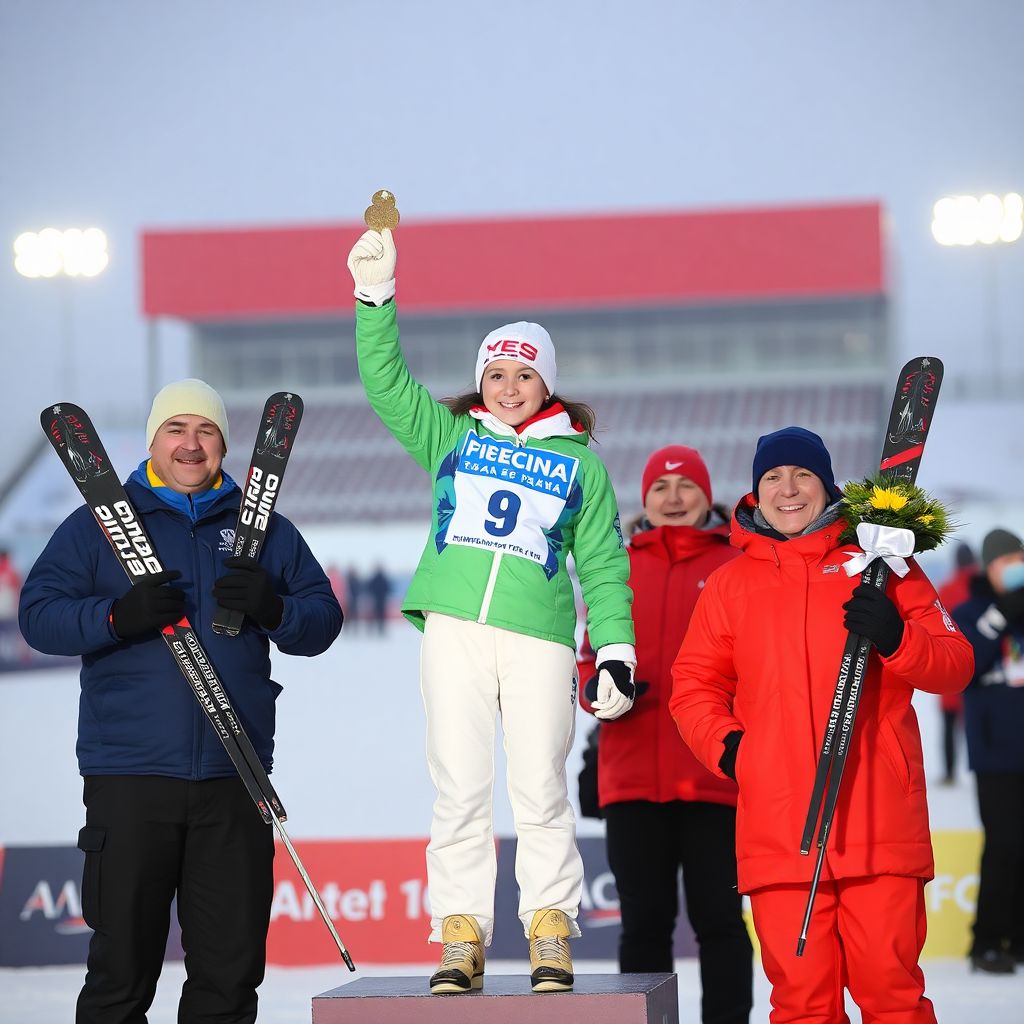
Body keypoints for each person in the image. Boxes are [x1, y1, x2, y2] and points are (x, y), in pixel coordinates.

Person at [347, 226, 635, 994]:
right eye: (497, 374)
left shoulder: (580, 463)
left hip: (538, 635)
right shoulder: (450, 438)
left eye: (523, 376)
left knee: (539, 786)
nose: (509, 388)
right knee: (460, 787)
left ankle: (548, 930)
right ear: (482, 380)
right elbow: (385, 383)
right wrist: (375, 298)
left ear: (548, 386)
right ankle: (461, 935)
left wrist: (615, 648)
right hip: (454, 631)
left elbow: (603, 564)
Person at [19, 379, 344, 1024]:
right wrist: (116, 616)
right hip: (131, 773)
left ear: (224, 444)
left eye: (206, 432)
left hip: (236, 773)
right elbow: (39, 616)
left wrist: (274, 608)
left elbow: (322, 620)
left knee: (228, 975)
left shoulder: (268, 532)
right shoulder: (95, 528)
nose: (191, 445)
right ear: (152, 441)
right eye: (176, 430)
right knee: (122, 970)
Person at [669, 425, 973, 1024]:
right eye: (773, 477)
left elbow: (954, 664)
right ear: (754, 493)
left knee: (891, 996)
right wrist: (733, 751)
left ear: (827, 485)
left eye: (802, 475)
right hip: (780, 827)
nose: (788, 489)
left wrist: (897, 636)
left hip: (876, 818)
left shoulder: (884, 566)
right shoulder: (731, 585)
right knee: (803, 1002)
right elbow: (694, 685)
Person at [579, 445, 753, 1024]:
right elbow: (588, 656)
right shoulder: (618, 565)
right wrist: (599, 691)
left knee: (721, 923)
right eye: (661, 489)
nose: (673, 499)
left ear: (708, 496)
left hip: (718, 778)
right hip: (633, 778)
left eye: (686, 489)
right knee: (643, 927)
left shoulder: (737, 563)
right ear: (644, 500)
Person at [952, 527, 1024, 974]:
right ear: (988, 567)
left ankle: (1018, 938)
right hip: (995, 754)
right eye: (1005, 562)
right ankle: (985, 942)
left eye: (1019, 558)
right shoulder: (969, 611)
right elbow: (963, 666)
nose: (1014, 569)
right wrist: (997, 618)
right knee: (1004, 845)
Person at [935, 542, 978, 784]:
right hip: (982, 666)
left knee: (949, 725)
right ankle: (979, 768)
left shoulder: (947, 589)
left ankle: (950, 773)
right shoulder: (984, 587)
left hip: (952, 665)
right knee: (977, 722)